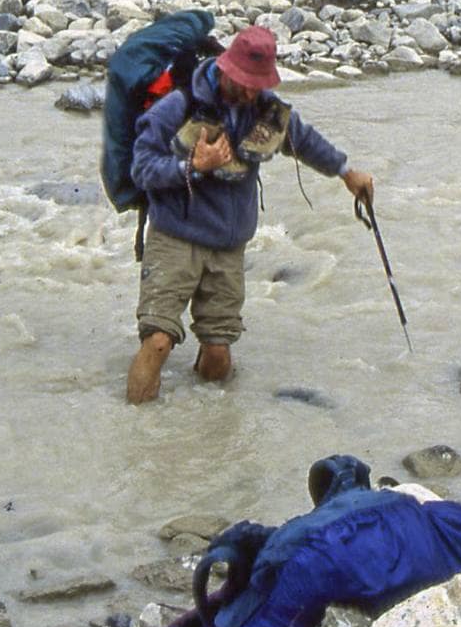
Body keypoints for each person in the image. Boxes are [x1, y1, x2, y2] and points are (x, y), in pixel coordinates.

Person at [125, 25, 376, 403]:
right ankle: (136, 434)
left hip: (228, 247)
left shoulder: (265, 109)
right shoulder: (178, 106)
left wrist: (346, 172)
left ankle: (209, 435)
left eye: (256, 84)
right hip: (175, 237)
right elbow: (141, 170)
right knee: (158, 341)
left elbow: (305, 142)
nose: (248, 91)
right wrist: (192, 165)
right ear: (225, 67)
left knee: (218, 355)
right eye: (242, 81)